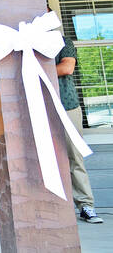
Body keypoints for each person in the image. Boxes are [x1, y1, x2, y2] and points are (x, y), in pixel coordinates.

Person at [55, 34, 104, 224]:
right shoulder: (26, 42)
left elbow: (67, 67)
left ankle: (85, 205)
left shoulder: (62, 41)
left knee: (75, 157)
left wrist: (38, 69)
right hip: (38, 108)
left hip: (67, 106)